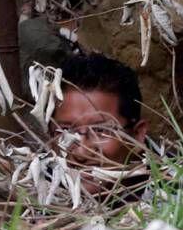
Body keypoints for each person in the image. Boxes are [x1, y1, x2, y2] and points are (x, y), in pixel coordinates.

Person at [50, 52, 149, 199]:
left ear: (137, 135)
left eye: (101, 130)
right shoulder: (31, 196)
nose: (81, 153)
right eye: (65, 131)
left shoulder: (173, 197)